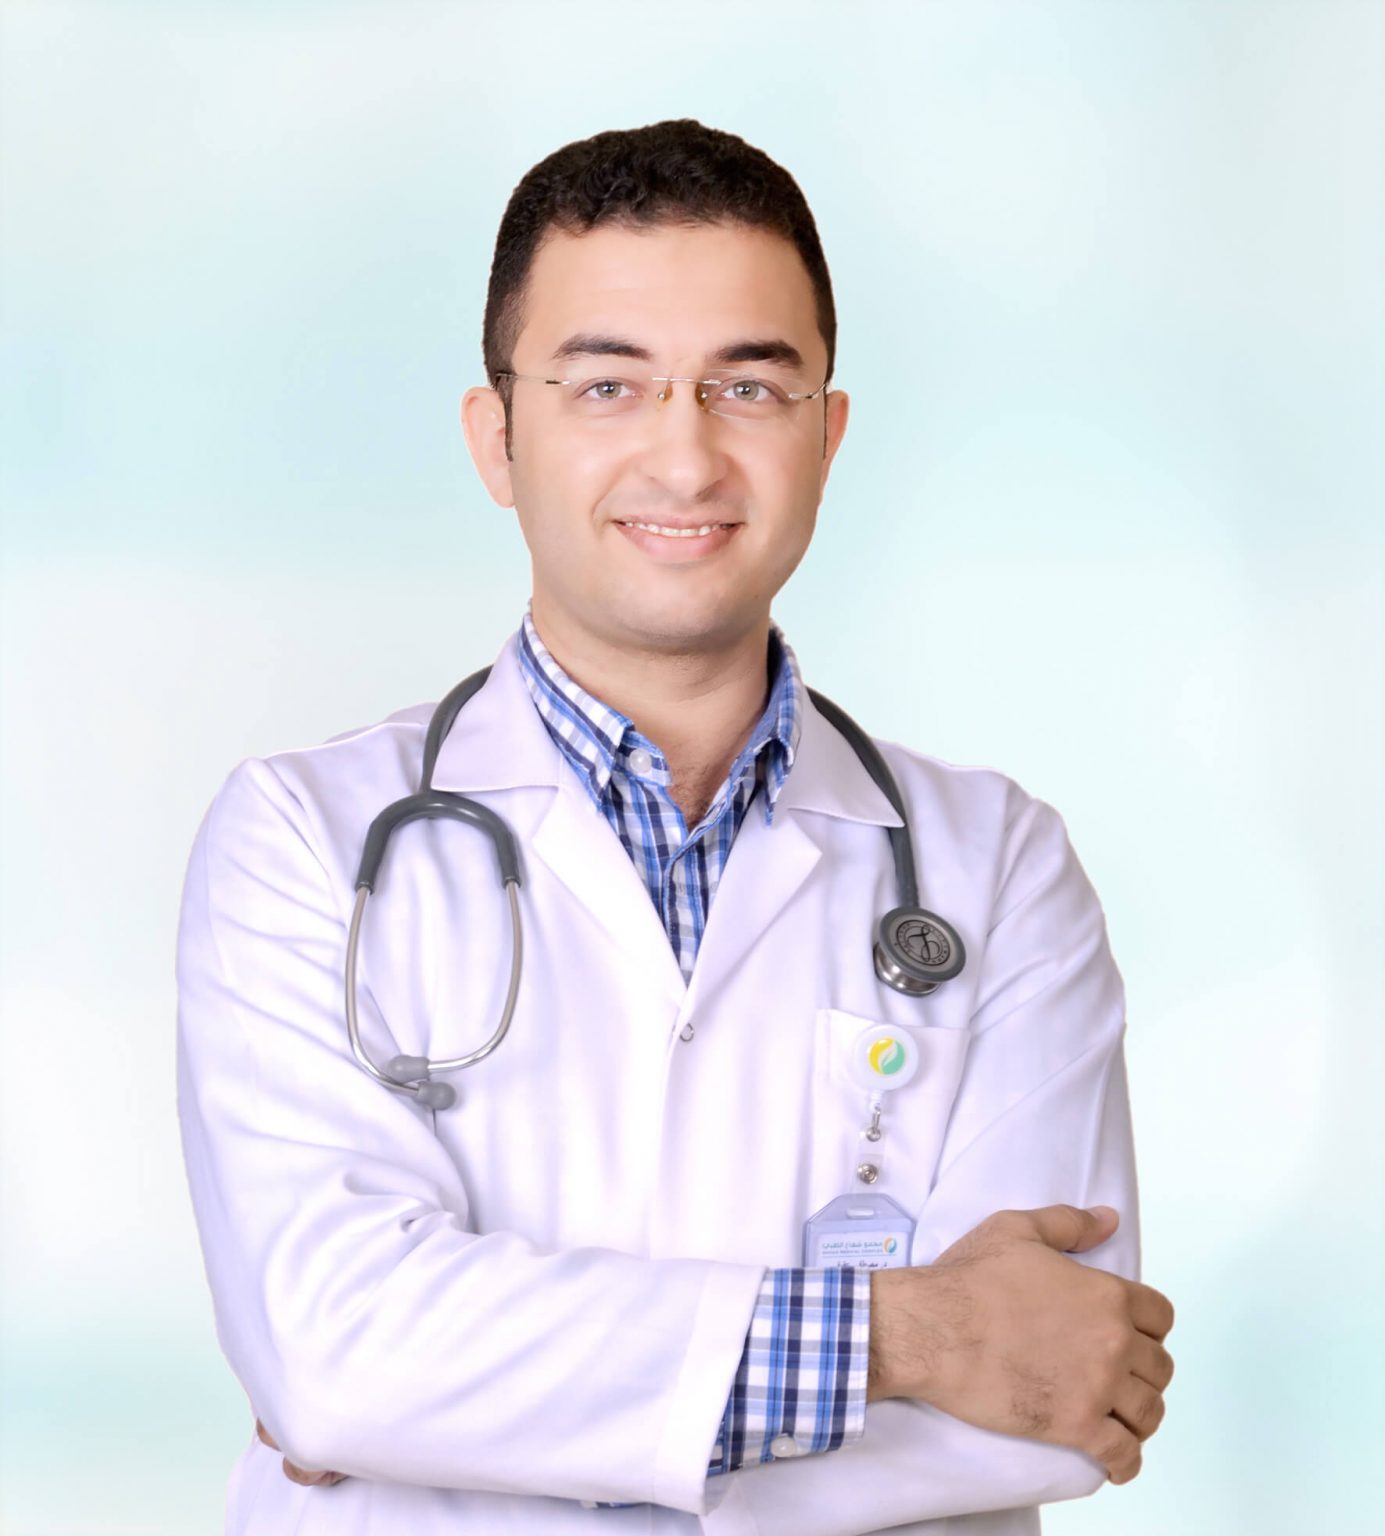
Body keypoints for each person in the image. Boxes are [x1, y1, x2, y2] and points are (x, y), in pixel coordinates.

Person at [176, 119, 1175, 1536]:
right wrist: (918, 1337)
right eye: (606, 385)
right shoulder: (302, 842)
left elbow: (1056, 1397)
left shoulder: (998, 867)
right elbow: (334, 1354)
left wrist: (454, 1427)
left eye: (747, 388)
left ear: (825, 435)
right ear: (498, 439)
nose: (685, 455)